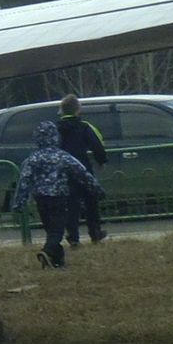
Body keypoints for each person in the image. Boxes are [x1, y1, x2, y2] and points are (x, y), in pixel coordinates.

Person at [11, 120, 101, 267]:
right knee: (57, 230)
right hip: (59, 198)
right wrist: (96, 189)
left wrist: (19, 202)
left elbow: (24, 181)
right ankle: (46, 252)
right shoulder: (62, 156)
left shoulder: (32, 159)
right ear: (55, 137)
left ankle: (56, 261)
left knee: (50, 229)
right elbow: (82, 173)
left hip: (40, 199)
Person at [54, 94, 109, 246]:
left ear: (62, 111)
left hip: (64, 170)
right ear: (78, 110)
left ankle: (73, 237)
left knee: (71, 204)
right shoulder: (84, 127)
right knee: (91, 200)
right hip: (83, 168)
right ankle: (95, 233)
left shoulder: (56, 128)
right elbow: (96, 145)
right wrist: (102, 161)